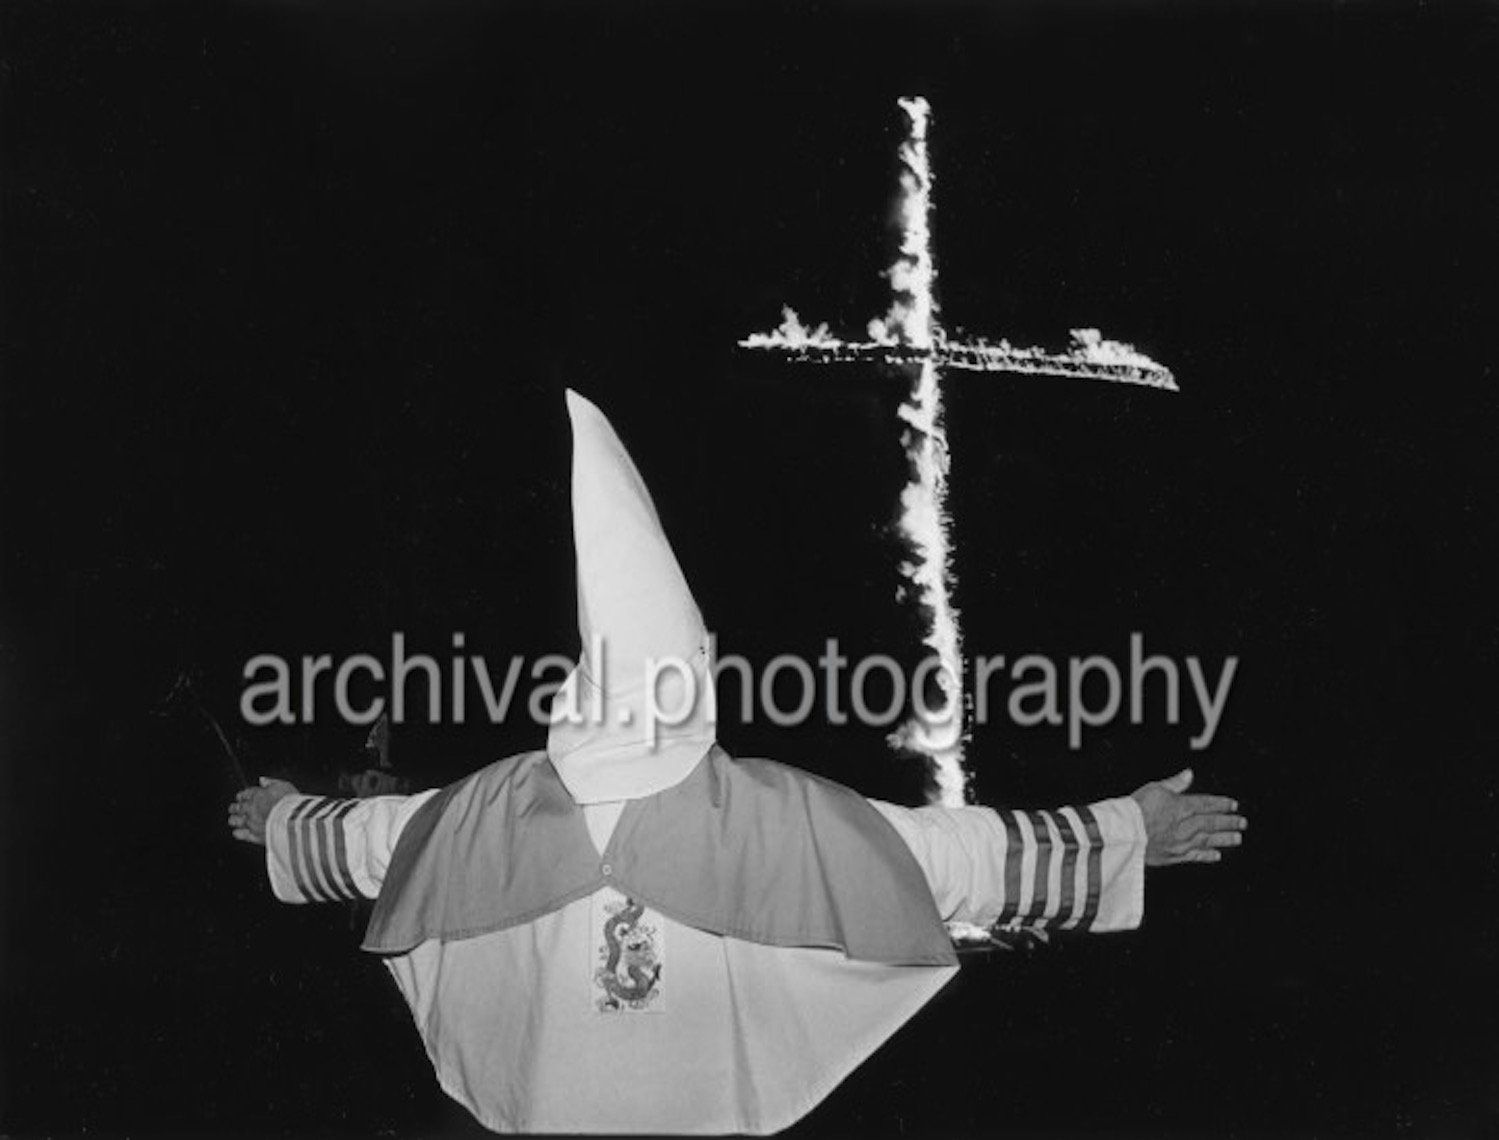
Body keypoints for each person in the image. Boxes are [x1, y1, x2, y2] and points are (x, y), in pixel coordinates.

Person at [228, 390, 1246, 1135]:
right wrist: (1125, 833)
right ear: (695, 674)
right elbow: (959, 857)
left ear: (578, 685)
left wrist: (278, 815)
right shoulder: (772, 817)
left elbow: (357, 842)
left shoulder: (476, 815)